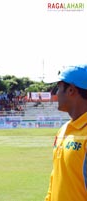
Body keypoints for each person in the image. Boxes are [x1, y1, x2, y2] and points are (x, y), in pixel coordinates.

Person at [45, 65, 87, 201]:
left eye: (58, 88)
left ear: (71, 90)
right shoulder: (63, 130)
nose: (55, 93)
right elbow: (56, 177)